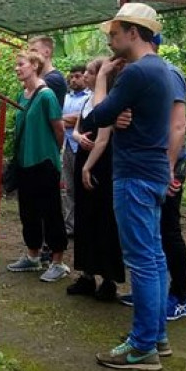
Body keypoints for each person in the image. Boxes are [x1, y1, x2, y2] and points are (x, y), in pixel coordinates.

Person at [77, 3, 173, 371]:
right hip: (151, 173)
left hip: (133, 175)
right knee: (154, 256)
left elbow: (95, 116)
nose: (110, 40)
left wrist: (101, 80)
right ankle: (156, 336)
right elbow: (114, 116)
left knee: (142, 261)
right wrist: (117, 114)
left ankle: (142, 346)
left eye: (114, 33)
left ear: (134, 32)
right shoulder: (158, 69)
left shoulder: (136, 73)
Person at [120, 34, 186, 320]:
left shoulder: (167, 74)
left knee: (168, 230)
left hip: (164, 164)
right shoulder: (138, 75)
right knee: (152, 233)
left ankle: (180, 297)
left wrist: (169, 167)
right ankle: (153, 294)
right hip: (150, 164)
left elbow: (178, 126)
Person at [5, 50, 69, 283]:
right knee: (28, 211)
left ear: (34, 65)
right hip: (25, 162)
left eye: (20, 64)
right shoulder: (23, 94)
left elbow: (58, 128)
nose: (17, 68)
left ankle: (57, 261)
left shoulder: (47, 95)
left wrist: (55, 155)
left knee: (50, 211)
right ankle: (33, 255)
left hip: (44, 162)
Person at [66, 58, 124, 302]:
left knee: (103, 219)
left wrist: (88, 167)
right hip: (84, 159)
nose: (85, 76)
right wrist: (78, 138)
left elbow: (103, 138)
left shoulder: (108, 103)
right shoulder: (88, 100)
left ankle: (108, 279)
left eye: (90, 72)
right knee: (85, 217)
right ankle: (87, 274)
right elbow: (78, 129)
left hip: (100, 165)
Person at [61, 65, 90, 237]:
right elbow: (62, 120)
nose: (74, 80)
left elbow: (81, 119)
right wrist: (70, 119)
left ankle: (85, 225)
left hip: (83, 146)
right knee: (68, 188)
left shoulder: (90, 97)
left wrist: (67, 119)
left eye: (78, 76)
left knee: (84, 186)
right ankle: (70, 226)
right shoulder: (66, 98)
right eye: (71, 77)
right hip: (68, 146)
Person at [28, 35, 67, 108]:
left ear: (47, 52)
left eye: (34, 51)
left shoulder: (54, 79)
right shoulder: (41, 76)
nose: (30, 55)